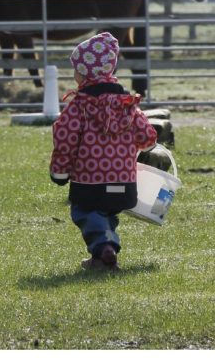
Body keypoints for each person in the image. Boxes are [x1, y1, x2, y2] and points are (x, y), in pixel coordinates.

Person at [50, 32, 157, 271]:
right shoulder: (127, 104)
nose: (74, 74)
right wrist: (148, 147)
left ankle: (104, 246)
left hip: (89, 181)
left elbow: (64, 139)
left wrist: (59, 172)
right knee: (108, 212)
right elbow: (147, 136)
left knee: (86, 211)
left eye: (76, 69)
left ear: (86, 72)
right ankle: (101, 257)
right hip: (124, 181)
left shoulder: (79, 106)